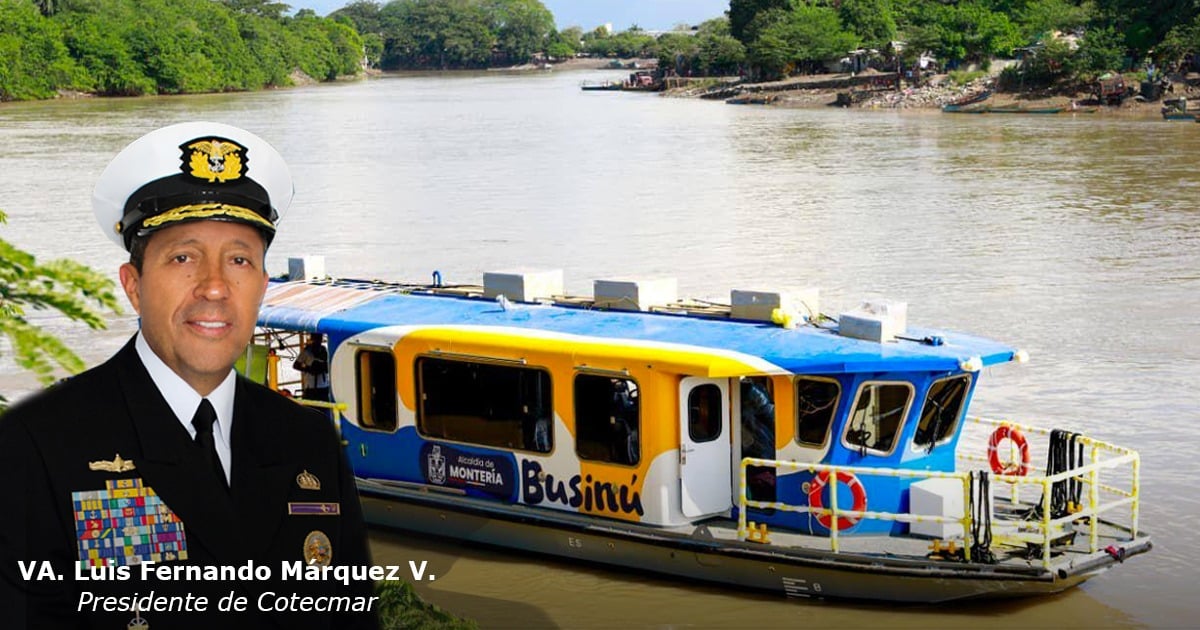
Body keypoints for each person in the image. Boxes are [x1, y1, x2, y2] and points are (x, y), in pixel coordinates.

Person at [0, 122, 377, 629]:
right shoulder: (38, 445)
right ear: (134, 286)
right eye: (183, 257)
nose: (215, 287)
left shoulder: (309, 441)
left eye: (239, 260)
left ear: (262, 286)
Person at [293, 333, 331, 402]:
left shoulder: (324, 350)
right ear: (312, 339)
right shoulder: (307, 351)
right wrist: (308, 369)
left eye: (319, 338)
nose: (318, 341)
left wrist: (323, 368)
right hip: (311, 387)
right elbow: (296, 365)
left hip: (323, 386)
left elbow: (328, 364)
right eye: (316, 338)